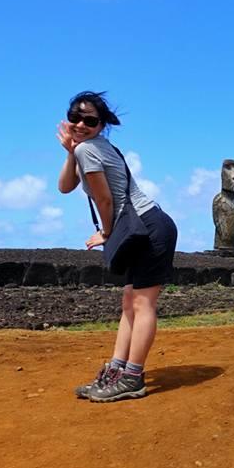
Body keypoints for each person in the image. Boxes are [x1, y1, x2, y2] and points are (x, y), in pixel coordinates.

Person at [56, 91, 178, 403]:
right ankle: (117, 370)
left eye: (90, 120)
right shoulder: (87, 149)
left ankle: (132, 377)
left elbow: (105, 199)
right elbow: (65, 187)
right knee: (129, 301)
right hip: (142, 228)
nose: (81, 124)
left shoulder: (91, 150)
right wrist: (71, 152)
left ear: (102, 124)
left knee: (141, 303)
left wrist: (106, 233)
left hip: (150, 227)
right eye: (75, 117)